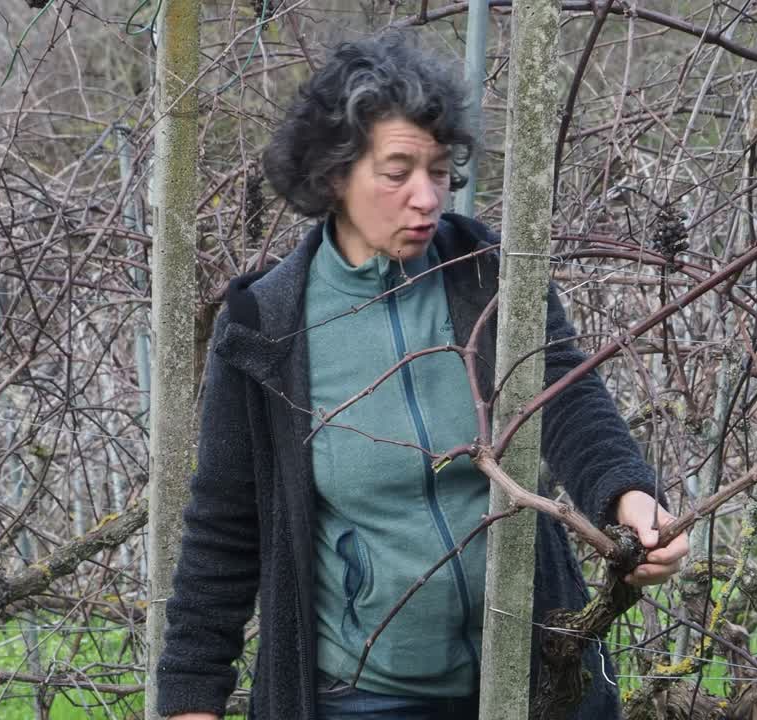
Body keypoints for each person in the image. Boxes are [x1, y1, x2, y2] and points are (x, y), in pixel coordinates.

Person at [155, 31, 689, 720]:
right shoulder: (265, 323)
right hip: (363, 696)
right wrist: (191, 697)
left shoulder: (490, 271)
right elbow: (225, 522)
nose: (426, 196)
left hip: (537, 678)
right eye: (397, 169)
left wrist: (629, 498)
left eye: (438, 170)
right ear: (334, 174)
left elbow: (566, 393)